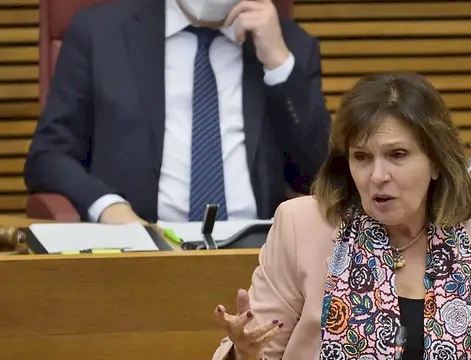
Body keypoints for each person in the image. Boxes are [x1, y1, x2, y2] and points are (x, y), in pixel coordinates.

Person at [211, 72, 471, 360]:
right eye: (362, 157)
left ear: (436, 162)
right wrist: (245, 356)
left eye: (397, 155)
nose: (378, 176)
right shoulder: (302, 226)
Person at [24, 0, 330, 223]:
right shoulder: (100, 34)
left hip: (257, 258)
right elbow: (48, 156)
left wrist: (279, 65)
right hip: (139, 249)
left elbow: (321, 176)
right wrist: (108, 207)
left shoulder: (290, 46)